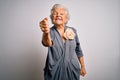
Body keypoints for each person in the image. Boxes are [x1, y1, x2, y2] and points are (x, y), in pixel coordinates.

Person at [39, 4, 86, 80]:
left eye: (61, 14)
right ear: (52, 17)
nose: (58, 15)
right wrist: (46, 32)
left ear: (66, 18)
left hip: (72, 69)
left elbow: (78, 50)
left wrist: (83, 66)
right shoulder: (50, 32)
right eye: (55, 13)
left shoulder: (73, 31)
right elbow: (47, 43)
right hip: (54, 71)